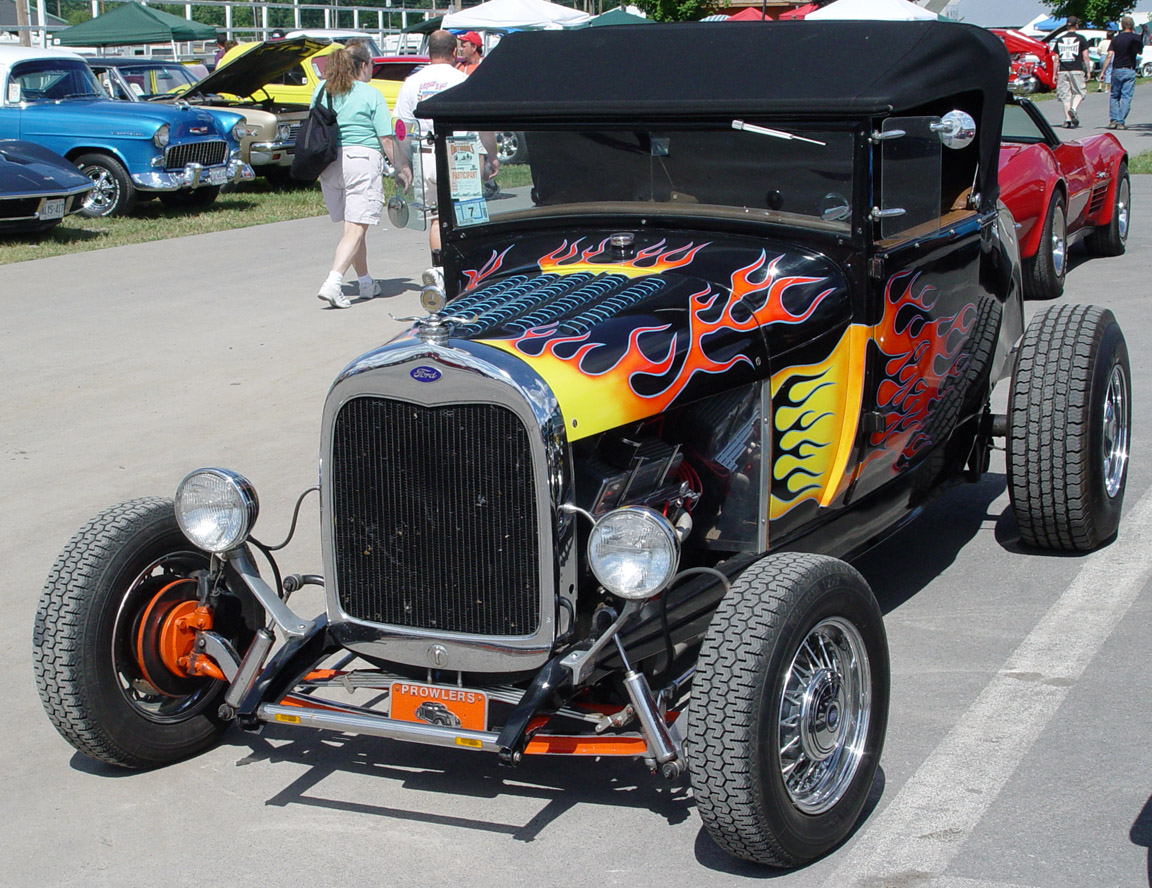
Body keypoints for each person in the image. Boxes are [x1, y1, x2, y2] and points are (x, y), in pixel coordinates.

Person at [313, 42, 410, 309]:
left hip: (330, 163)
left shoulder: (322, 90)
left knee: (353, 227)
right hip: (361, 161)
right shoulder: (370, 93)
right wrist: (401, 167)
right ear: (364, 65)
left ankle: (365, 282)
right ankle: (333, 282)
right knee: (356, 228)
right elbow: (386, 139)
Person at [394, 29, 498, 260]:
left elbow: (402, 129)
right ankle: (467, 266)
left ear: (428, 52)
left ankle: (440, 269)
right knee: (467, 215)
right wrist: (492, 154)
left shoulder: (412, 83)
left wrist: (402, 165)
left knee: (435, 218)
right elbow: (482, 123)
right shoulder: (463, 80)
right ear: (454, 51)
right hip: (461, 154)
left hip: (426, 154)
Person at [1107, 16, 1142, 129]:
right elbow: (1139, 52)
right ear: (1132, 25)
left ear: (1122, 25)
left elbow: (1109, 55)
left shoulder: (1116, 39)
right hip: (1130, 69)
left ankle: (1113, 120)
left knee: (1114, 96)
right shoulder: (1136, 38)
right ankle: (1121, 121)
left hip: (1117, 68)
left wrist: (1103, 71)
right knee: (1126, 97)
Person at [1055, 16, 1091, 128]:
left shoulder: (1059, 39)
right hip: (1077, 69)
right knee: (1080, 92)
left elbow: (1056, 58)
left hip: (1063, 70)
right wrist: (1088, 71)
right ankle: (1073, 109)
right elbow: (1085, 56)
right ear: (1076, 25)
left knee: (1065, 96)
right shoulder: (1081, 38)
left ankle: (1067, 120)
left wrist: (1054, 73)